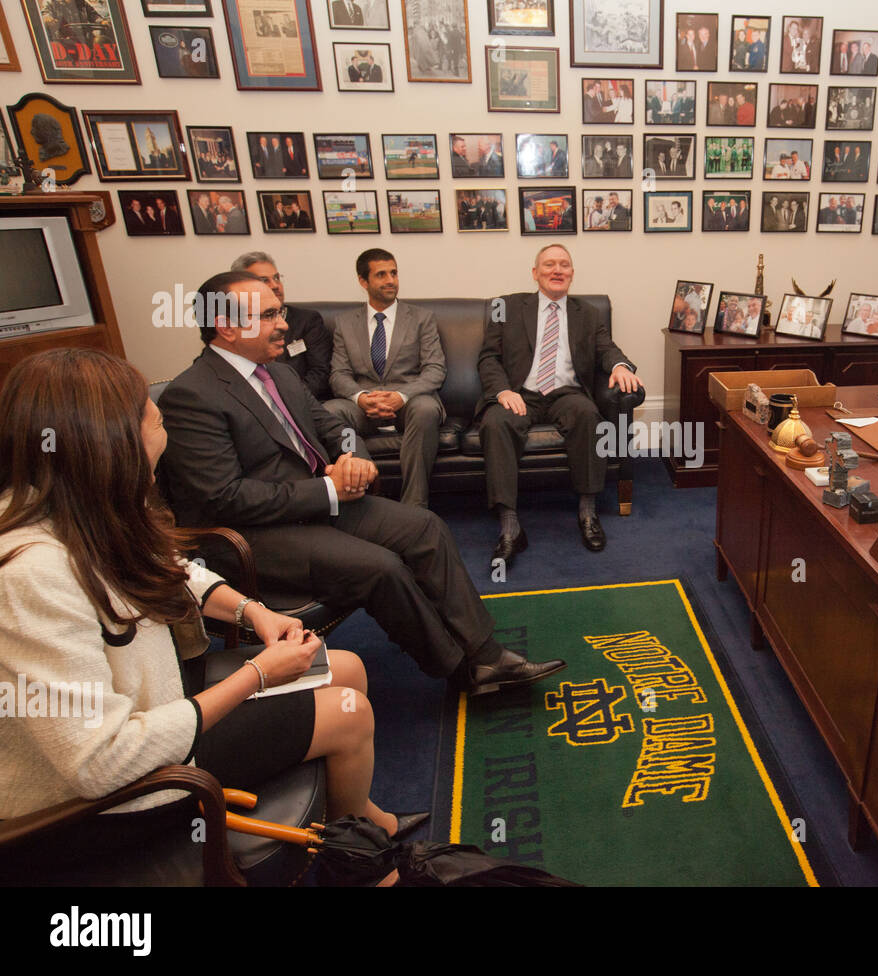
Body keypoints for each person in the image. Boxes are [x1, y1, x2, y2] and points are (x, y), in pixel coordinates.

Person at [0, 348, 424, 866]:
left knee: (349, 668)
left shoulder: (88, 507)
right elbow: (100, 762)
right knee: (348, 714)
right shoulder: (31, 574)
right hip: (116, 795)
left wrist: (253, 612)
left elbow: (175, 569)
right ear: (111, 442)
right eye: (156, 422)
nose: (166, 438)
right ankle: (355, 862)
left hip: (157, 697)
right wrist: (257, 674)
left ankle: (360, 823)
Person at [158, 271, 565, 694]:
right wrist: (330, 490)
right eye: (269, 315)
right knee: (381, 567)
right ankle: (458, 670)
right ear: (226, 327)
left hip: (315, 507)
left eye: (280, 312)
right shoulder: (192, 396)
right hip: (258, 534)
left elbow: (331, 427)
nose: (283, 323)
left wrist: (353, 459)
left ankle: (486, 655)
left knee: (424, 527)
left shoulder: (276, 374)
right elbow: (225, 498)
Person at [476, 244, 644, 567]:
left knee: (589, 415)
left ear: (572, 274)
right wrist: (501, 392)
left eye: (564, 265)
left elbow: (606, 349)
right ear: (535, 273)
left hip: (565, 392)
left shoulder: (588, 313)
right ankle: (510, 526)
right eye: (549, 264)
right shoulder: (505, 307)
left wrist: (621, 366)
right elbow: (488, 357)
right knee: (496, 424)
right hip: (519, 393)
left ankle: (587, 511)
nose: (557, 270)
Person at [324, 249, 445, 511]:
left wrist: (400, 396)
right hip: (363, 407)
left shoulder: (421, 318)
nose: (391, 280)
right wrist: (362, 398)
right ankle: (366, 494)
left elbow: (435, 369)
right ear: (363, 281)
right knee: (328, 412)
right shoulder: (345, 324)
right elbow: (339, 374)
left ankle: (415, 507)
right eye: (381, 274)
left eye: (394, 273)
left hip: (408, 403)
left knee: (426, 409)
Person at [232, 251, 333, 402]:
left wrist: (288, 401)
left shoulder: (307, 320)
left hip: (302, 400)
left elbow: (320, 372)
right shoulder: (237, 324)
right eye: (264, 280)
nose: (275, 285)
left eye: (276, 278)